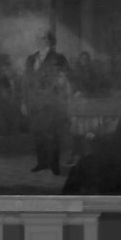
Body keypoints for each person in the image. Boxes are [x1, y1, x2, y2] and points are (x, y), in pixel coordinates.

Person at [23, 31, 70, 174]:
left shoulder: (58, 58)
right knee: (38, 133)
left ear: (49, 40)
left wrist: (60, 83)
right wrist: (24, 102)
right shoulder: (31, 59)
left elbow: (66, 77)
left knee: (52, 133)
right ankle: (42, 163)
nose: (39, 40)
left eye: (42, 38)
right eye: (38, 38)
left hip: (51, 102)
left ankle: (54, 165)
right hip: (34, 102)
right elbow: (26, 81)